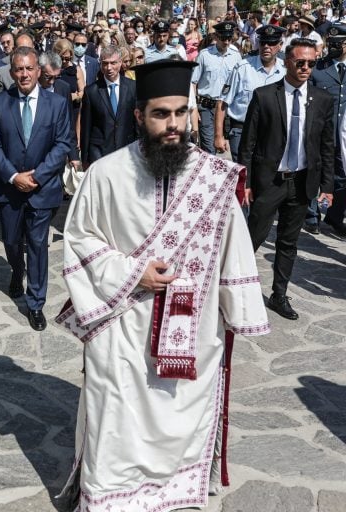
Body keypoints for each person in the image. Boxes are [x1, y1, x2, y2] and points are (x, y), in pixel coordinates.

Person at [57, 59, 269, 511]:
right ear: (139, 116)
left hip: (194, 330)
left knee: (181, 413)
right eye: (160, 114)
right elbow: (78, 239)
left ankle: (175, 494)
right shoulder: (106, 174)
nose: (173, 124)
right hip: (122, 330)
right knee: (117, 416)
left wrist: (241, 311)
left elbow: (235, 246)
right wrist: (134, 274)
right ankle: (112, 499)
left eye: (180, 112)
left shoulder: (214, 178)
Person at [239, 38, 334, 320]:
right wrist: (244, 182)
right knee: (251, 240)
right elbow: (248, 144)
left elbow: (326, 146)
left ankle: (279, 295)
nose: (306, 68)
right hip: (269, 182)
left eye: (312, 63)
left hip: (302, 182)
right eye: (300, 62)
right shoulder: (265, 95)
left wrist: (327, 186)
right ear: (287, 61)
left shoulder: (323, 100)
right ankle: (233, 290)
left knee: (288, 243)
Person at [0, 46, 72, 331]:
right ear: (12, 72)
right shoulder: (0, 102)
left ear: (39, 70)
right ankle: (16, 270)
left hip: (42, 189)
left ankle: (36, 302)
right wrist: (12, 176)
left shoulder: (56, 103)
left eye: (29, 68)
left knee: (37, 245)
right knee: (11, 241)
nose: (24, 74)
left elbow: (62, 144)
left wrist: (37, 176)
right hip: (10, 189)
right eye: (18, 69)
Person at [215, 25, 286, 162]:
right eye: (263, 42)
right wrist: (219, 135)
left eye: (271, 43)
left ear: (280, 45)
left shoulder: (285, 71)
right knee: (243, 176)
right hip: (242, 131)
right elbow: (222, 102)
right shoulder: (242, 68)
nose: (266, 46)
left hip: (272, 134)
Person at [311, 25, 346, 237]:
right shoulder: (318, 69)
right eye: (330, 43)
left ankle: (334, 216)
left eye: (338, 43)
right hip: (321, 132)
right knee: (315, 175)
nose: (333, 47)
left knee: (342, 179)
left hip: (343, 138)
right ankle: (311, 217)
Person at [80, 45, 138, 167]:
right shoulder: (91, 91)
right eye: (105, 63)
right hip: (99, 153)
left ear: (121, 63)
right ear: (100, 65)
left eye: (113, 63)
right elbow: (86, 126)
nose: (109, 68)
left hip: (127, 150)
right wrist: (85, 158)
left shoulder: (133, 87)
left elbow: (137, 122)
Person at [192, 21, 242, 154]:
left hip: (227, 109)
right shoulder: (204, 55)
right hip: (207, 107)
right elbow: (193, 82)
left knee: (231, 148)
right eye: (223, 38)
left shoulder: (236, 56)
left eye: (229, 39)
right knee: (209, 148)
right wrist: (194, 108)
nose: (226, 42)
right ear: (216, 37)